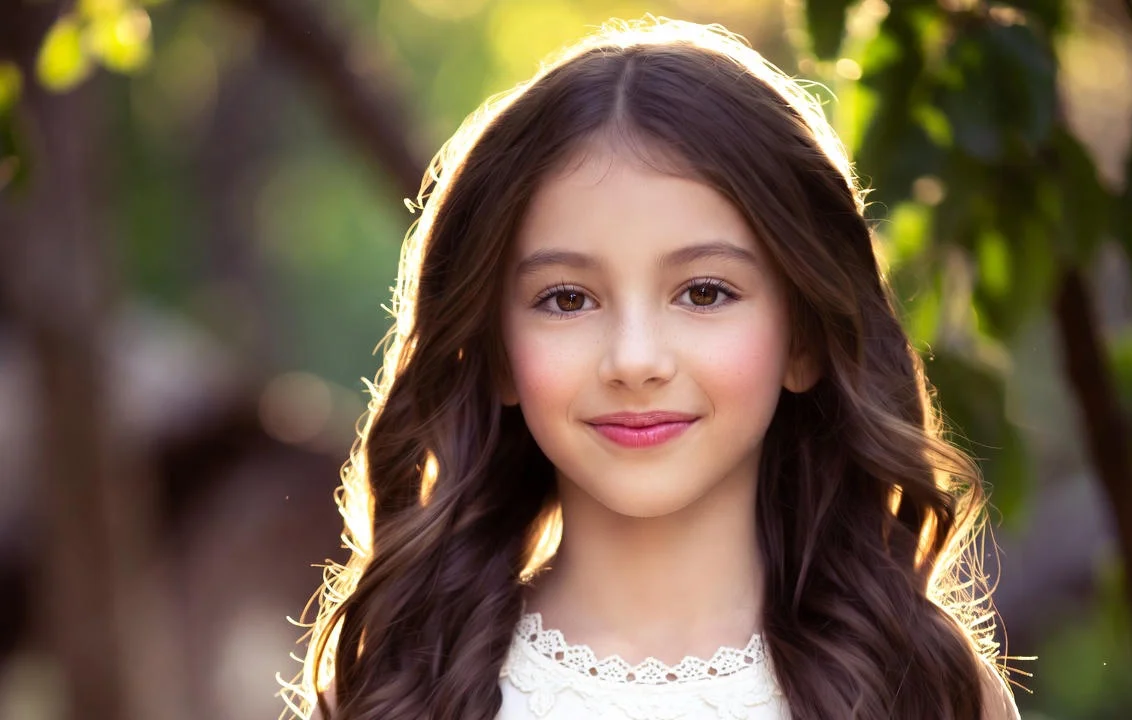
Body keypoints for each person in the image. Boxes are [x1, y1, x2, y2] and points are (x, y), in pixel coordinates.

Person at [280, 16, 1023, 720]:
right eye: (566, 299)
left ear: (804, 339)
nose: (634, 360)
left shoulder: (927, 691)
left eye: (704, 293)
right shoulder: (393, 690)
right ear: (497, 351)